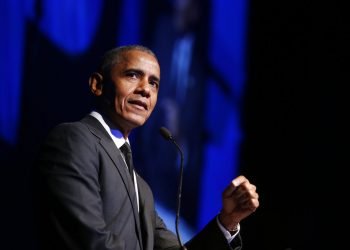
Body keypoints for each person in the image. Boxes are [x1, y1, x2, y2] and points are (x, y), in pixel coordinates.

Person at [34, 45, 259, 250]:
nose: (146, 90)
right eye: (132, 75)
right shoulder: (73, 140)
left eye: (154, 83)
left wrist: (227, 222)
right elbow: (91, 241)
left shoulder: (142, 189)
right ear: (98, 84)